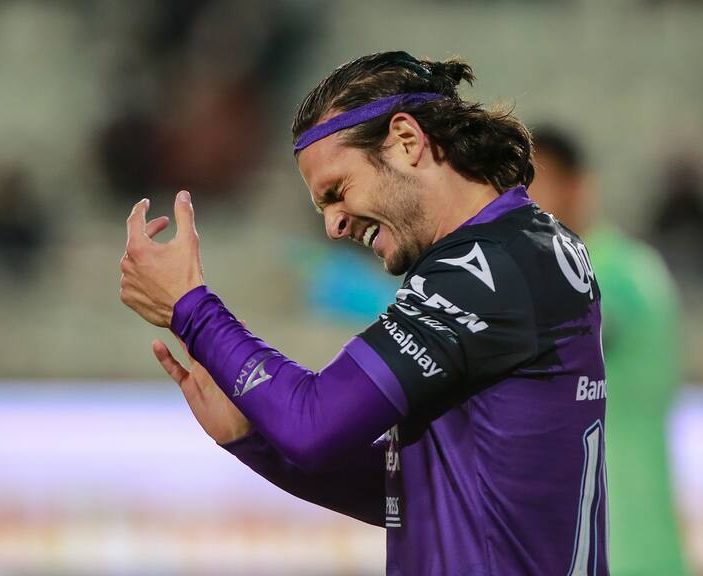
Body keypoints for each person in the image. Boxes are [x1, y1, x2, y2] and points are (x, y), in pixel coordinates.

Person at [120, 51, 608, 575]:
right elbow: (411, 493)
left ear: (406, 140)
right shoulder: (520, 246)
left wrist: (191, 306)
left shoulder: (487, 269)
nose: (333, 226)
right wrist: (254, 438)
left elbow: (314, 423)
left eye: (337, 191)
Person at [529, 125, 691, 576]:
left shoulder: (612, 273)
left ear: (578, 186)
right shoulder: (634, 267)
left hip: (621, 547)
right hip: (623, 540)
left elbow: (527, 331)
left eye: (533, 188)